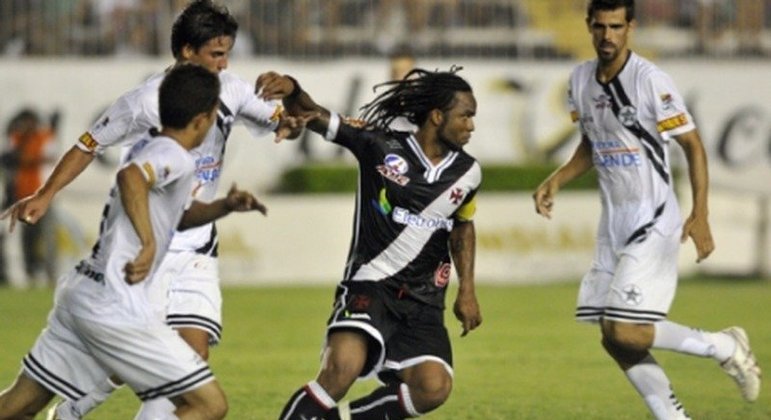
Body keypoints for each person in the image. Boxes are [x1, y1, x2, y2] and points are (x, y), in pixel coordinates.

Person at [2, 1, 304, 418]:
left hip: (146, 265)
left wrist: (286, 121)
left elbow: (280, 123)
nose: (224, 65)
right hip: (137, 268)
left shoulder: (227, 93)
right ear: (186, 53)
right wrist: (51, 195)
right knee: (199, 396)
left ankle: (72, 409)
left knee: (31, 399)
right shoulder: (155, 124)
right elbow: (112, 162)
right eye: (216, 54)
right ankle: (75, 408)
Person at [532, 1, 761, 419]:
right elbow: (593, 141)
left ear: (631, 27)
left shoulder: (649, 80)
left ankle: (724, 346)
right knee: (613, 337)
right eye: (600, 26)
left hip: (652, 218)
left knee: (625, 329)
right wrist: (557, 179)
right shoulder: (580, 79)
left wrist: (701, 213)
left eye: (616, 26)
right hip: (613, 224)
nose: (607, 36)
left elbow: (693, 145)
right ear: (588, 26)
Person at [261, 65, 482, 420]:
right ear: (438, 116)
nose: (471, 125)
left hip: (423, 300)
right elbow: (315, 115)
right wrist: (292, 88)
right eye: (465, 116)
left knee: (433, 387)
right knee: (340, 371)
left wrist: (467, 289)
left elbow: (463, 226)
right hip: (372, 284)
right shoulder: (379, 144)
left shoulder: (469, 172)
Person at [2, 108, 60, 286]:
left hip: (43, 195)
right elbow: (12, 158)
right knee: (28, 237)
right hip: (23, 196)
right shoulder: (18, 139)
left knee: (48, 236)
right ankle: (31, 273)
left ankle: (51, 276)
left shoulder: (45, 137)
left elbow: (48, 158)